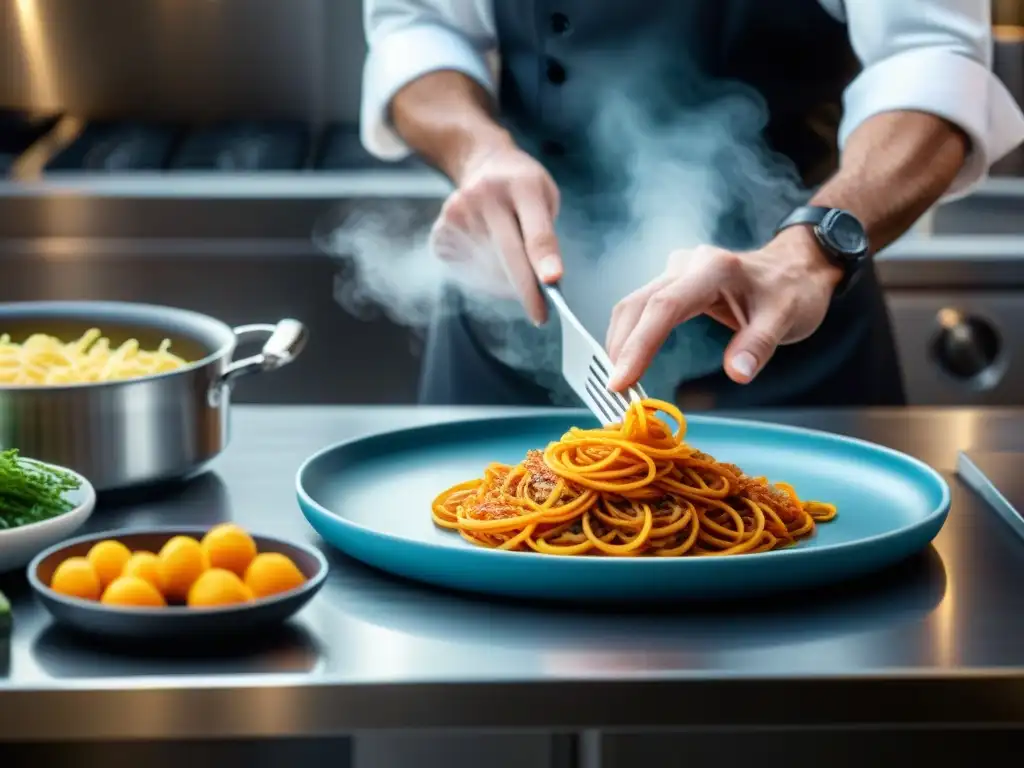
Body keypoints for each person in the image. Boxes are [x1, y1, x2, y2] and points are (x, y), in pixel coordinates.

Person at [360, 0, 1024, 409]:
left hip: (792, 323)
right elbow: (417, 27)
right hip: (516, 320)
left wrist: (811, 248)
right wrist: (479, 152)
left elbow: (933, 56)